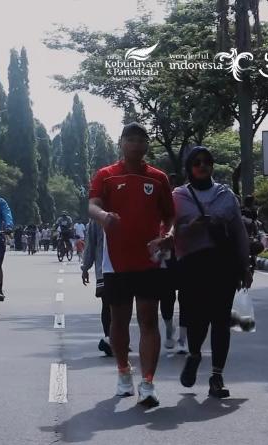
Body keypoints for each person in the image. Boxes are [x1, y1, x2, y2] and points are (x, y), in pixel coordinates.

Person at [88, 122, 175, 407]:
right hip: (117, 261)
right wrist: (103, 217)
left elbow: (170, 217)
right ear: (121, 143)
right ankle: (124, 372)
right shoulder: (106, 175)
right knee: (119, 320)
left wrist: (168, 237)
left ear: (147, 144)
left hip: (150, 260)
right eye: (131, 139)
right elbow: (93, 205)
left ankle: (148, 383)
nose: (136, 144)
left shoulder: (159, 177)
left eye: (141, 140)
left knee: (149, 319)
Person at [172, 146, 252, 399]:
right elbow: (169, 232)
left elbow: (239, 232)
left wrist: (245, 265)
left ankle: (217, 376)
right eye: (196, 162)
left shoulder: (226, 195)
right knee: (196, 320)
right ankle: (194, 354)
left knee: (221, 321)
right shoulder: (178, 196)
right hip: (192, 266)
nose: (202, 166)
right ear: (189, 168)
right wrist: (189, 228)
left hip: (223, 265)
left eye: (207, 161)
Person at [80, 219, 112, 356]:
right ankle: (110, 338)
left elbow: (90, 246)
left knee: (110, 305)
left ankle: (112, 338)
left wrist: (85, 267)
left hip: (106, 270)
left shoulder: (96, 219)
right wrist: (85, 267)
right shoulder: (96, 220)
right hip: (108, 269)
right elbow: (91, 246)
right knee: (114, 304)